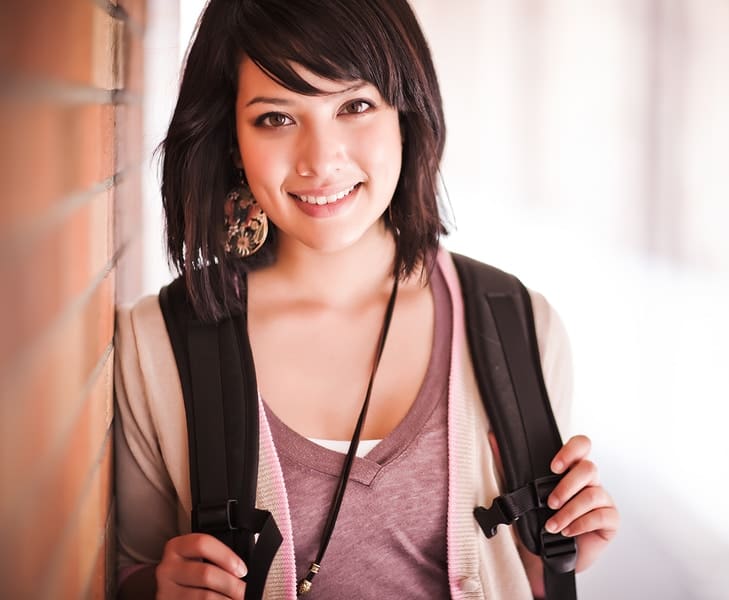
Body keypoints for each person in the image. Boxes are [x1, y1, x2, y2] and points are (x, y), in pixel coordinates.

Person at [114, 0, 619, 598]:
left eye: (354, 106)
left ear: (406, 113)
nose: (321, 161)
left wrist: (558, 553)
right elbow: (124, 569)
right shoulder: (156, 347)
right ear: (230, 140)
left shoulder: (519, 327)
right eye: (276, 118)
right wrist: (157, 588)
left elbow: (525, 576)